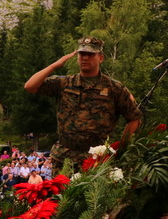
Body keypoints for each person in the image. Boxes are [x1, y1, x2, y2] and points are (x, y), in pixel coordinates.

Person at [24, 36, 142, 171]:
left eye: (90, 54)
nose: (85, 58)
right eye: (82, 54)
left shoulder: (114, 88)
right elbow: (30, 86)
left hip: (96, 159)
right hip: (64, 157)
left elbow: (134, 118)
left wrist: (120, 148)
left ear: (100, 58)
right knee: (61, 192)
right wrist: (55, 65)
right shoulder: (64, 83)